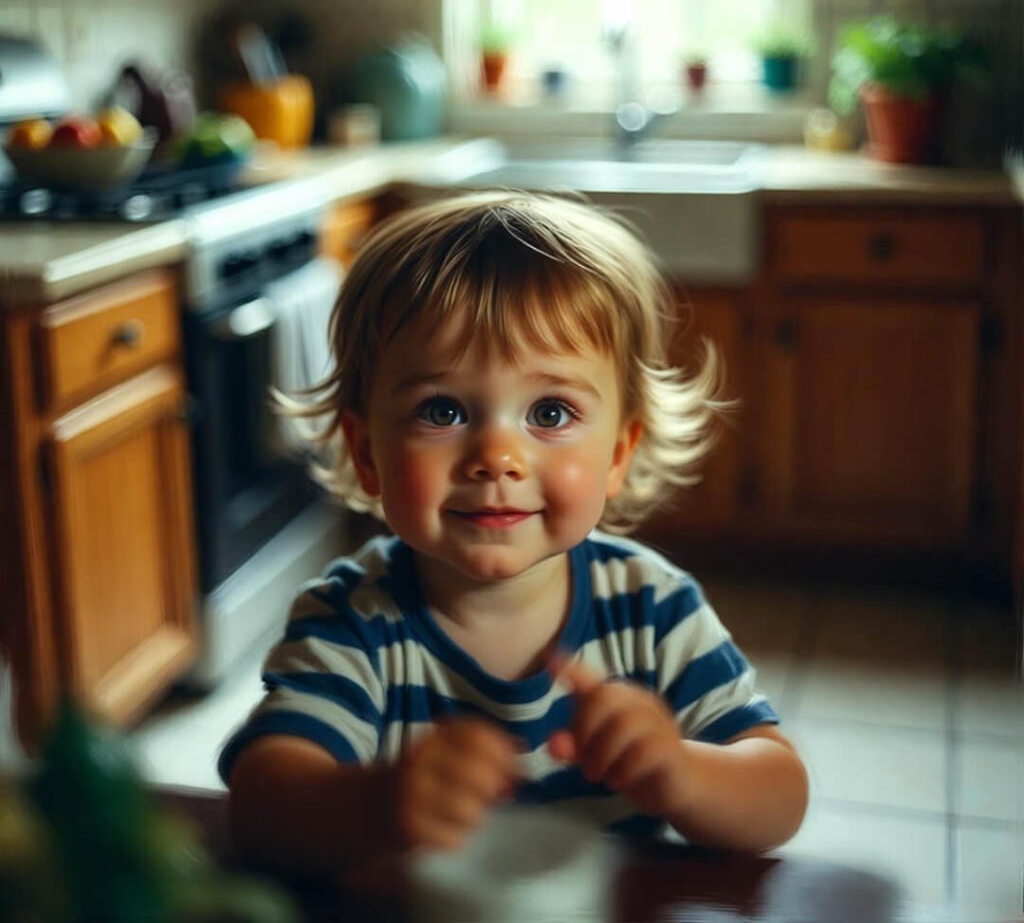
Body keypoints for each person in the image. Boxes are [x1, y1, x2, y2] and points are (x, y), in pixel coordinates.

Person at [220, 190, 808, 877]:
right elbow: (261, 806)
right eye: (441, 409)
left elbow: (780, 798)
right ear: (368, 451)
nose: (497, 456)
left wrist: (682, 772)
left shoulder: (653, 607)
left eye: (551, 413)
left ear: (619, 453)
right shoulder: (353, 620)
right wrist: (378, 803)